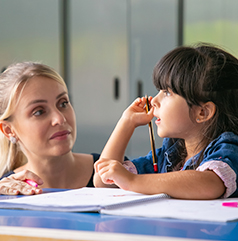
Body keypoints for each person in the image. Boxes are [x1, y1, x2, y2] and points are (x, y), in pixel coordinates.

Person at [94, 43, 238, 199]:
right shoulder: (170, 155)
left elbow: (209, 184)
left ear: (202, 112)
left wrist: (133, 180)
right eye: (159, 91)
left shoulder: (229, 148)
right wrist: (126, 123)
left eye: (167, 93)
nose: (154, 101)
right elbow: (104, 181)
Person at [0, 62, 100, 195]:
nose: (59, 119)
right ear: (8, 130)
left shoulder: (120, 172)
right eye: (39, 112)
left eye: (63, 103)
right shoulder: (6, 191)